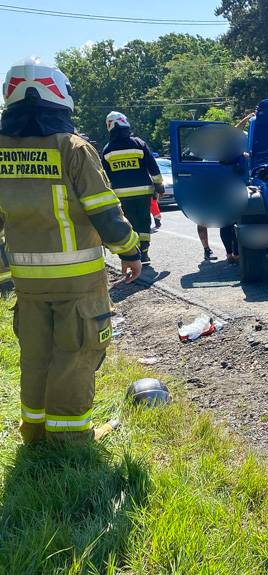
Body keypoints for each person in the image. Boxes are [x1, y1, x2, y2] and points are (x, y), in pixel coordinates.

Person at [0, 57, 141, 444]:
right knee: (75, 355)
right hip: (76, 283)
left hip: (27, 284)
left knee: (35, 356)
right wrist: (129, 250)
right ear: (59, 96)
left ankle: (34, 431)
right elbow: (104, 210)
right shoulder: (74, 148)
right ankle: (73, 440)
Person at [100, 111, 164, 265]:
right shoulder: (138, 144)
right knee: (144, 222)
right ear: (125, 123)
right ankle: (144, 252)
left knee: (130, 223)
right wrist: (159, 185)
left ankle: (133, 251)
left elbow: (105, 175)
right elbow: (152, 166)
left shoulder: (107, 150)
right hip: (143, 193)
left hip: (121, 195)